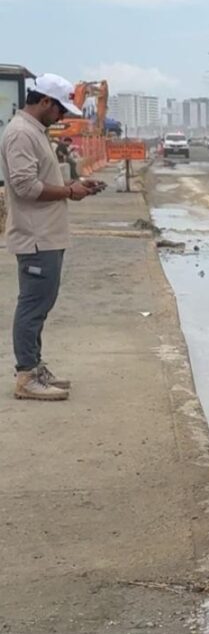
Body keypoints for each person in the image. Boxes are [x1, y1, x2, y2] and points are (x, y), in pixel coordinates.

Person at [0, 73, 105, 401]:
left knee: (41, 304)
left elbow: (40, 179)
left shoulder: (35, 132)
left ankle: (34, 366)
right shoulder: (20, 133)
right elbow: (25, 187)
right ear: (45, 101)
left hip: (47, 234)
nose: (62, 117)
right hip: (35, 235)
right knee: (32, 306)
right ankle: (26, 375)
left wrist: (76, 188)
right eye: (60, 110)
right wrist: (69, 192)